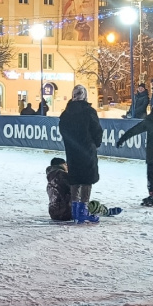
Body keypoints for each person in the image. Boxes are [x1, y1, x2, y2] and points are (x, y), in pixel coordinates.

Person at [58, 84, 103, 224]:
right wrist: (95, 143)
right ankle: (83, 211)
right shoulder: (89, 111)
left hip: (72, 151)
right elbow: (97, 130)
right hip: (87, 150)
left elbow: (63, 130)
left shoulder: (66, 113)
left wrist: (70, 143)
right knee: (86, 180)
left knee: (75, 178)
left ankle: (75, 211)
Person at [46, 157, 122, 221]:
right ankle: (106, 211)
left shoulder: (50, 181)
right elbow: (77, 190)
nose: (67, 167)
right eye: (66, 165)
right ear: (62, 165)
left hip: (54, 214)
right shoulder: (63, 176)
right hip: (67, 212)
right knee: (90, 205)